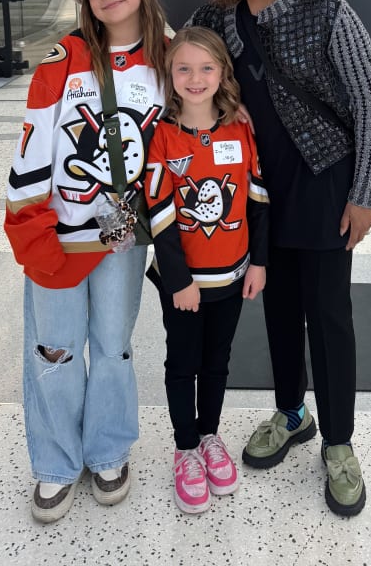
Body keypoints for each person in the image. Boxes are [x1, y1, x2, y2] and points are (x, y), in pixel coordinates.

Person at [183, 0, 371, 518]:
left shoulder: (327, 11)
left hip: (324, 183)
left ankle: (339, 442)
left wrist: (365, 195)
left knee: (328, 317)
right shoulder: (211, 19)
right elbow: (186, 75)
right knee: (277, 310)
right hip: (259, 193)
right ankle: (292, 412)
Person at [3, 0, 172, 523]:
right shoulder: (65, 58)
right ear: (84, 1)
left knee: (113, 347)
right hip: (60, 235)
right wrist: (30, 230)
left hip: (124, 240)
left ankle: (107, 450)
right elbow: (32, 147)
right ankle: (54, 462)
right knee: (53, 349)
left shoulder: (170, 56)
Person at [142, 26, 269, 514]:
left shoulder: (240, 129)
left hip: (232, 277)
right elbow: (159, 212)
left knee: (218, 361)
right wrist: (179, 280)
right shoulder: (162, 135)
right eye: (184, 68)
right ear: (170, 74)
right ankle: (185, 448)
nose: (195, 78)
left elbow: (258, 200)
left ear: (222, 73)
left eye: (206, 68)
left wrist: (259, 262)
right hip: (184, 285)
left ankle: (210, 434)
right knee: (183, 363)